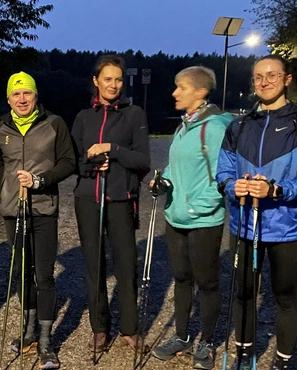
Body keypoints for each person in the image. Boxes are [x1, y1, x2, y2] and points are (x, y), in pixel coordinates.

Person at [0, 71, 76, 369]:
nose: (22, 99)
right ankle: (27, 332)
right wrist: (9, 185)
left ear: (36, 96)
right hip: (13, 210)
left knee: (44, 275)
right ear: (9, 99)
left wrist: (40, 180)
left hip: (42, 209)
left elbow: (68, 162)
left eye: (27, 93)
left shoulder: (53, 124)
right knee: (22, 274)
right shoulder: (1, 127)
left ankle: (46, 341)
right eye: (16, 94)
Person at [216, 55, 297, 370]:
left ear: (286, 79)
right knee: (244, 294)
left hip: (286, 228)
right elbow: (223, 172)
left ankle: (283, 360)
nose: (264, 82)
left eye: (272, 75)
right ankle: (244, 354)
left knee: (286, 298)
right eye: (258, 77)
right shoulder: (239, 125)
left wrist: (277, 190)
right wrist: (231, 186)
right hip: (244, 226)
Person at [149, 66, 232, 370]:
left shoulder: (215, 127)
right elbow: (177, 166)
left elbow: (223, 174)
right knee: (182, 278)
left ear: (200, 92)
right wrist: (164, 180)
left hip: (204, 219)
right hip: (176, 217)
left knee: (207, 282)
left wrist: (201, 205)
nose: (174, 92)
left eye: (181, 87)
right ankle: (182, 336)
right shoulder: (184, 125)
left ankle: (207, 342)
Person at [70, 55, 151, 353]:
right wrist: (91, 165)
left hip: (120, 198)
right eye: (108, 79)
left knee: (126, 264)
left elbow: (143, 160)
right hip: (88, 199)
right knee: (95, 264)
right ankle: (99, 328)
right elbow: (73, 161)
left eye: (118, 79)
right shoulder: (83, 117)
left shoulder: (133, 114)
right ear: (96, 81)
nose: (114, 85)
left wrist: (112, 150)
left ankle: (129, 328)